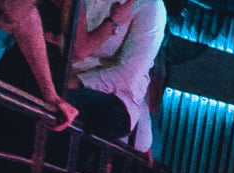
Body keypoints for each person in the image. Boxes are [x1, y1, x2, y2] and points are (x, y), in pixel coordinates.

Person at [66, 0, 167, 151]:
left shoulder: (151, 6)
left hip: (115, 96)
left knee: (63, 102)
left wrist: (76, 83)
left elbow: (127, 75)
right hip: (65, 75)